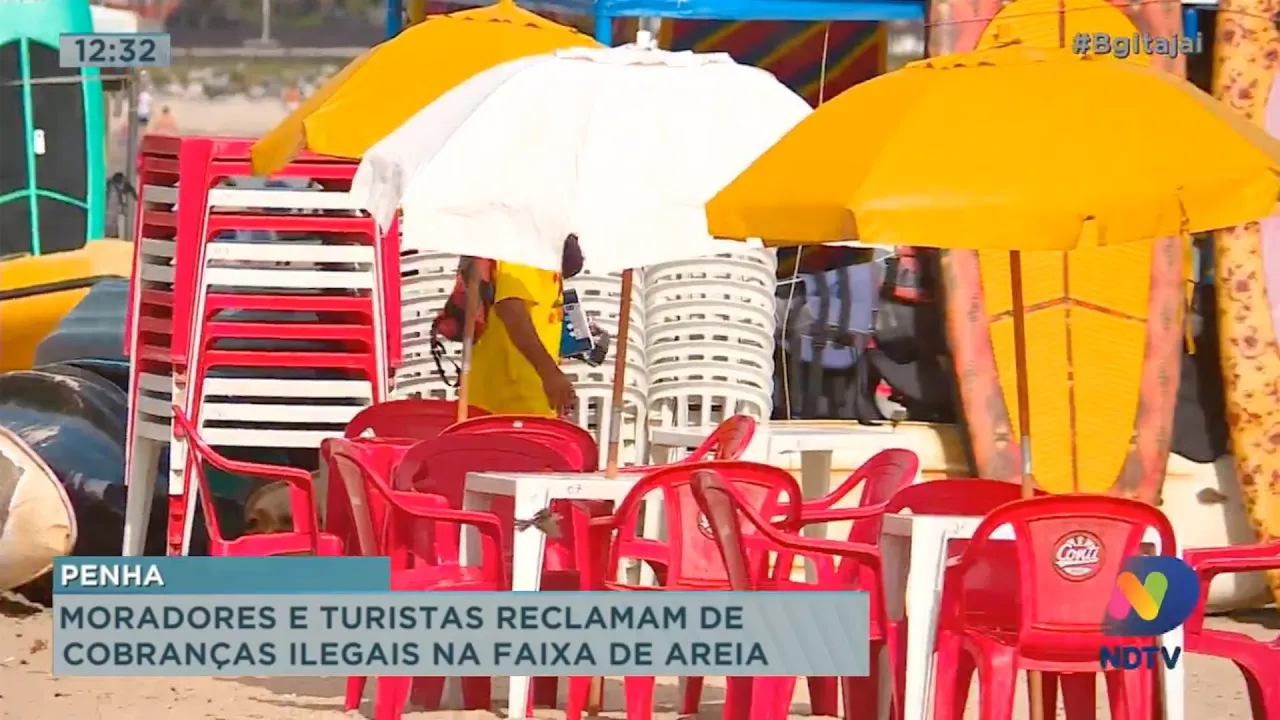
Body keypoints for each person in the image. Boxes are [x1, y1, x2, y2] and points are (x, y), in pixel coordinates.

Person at [468, 236, 584, 417]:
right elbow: (510, 309)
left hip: (526, 393)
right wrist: (549, 372)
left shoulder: (543, 250)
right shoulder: (523, 240)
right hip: (511, 397)